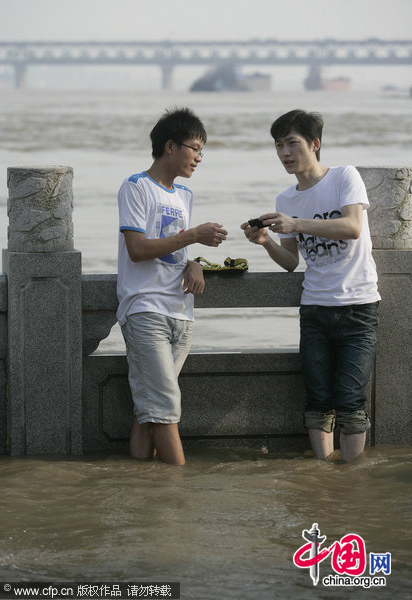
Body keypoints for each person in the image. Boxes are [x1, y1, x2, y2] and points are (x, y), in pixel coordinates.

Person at [241, 109, 380, 463]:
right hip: (315, 309)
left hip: (358, 306)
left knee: (350, 400)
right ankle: (320, 474)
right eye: (278, 145)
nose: (285, 153)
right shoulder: (286, 199)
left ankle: (350, 478)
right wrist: (265, 242)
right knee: (318, 400)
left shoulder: (344, 177)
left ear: (315, 144)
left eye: (292, 143)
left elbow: (351, 227)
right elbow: (291, 262)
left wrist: (296, 223)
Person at [117, 107, 227, 465]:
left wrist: (194, 261)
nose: (198, 157)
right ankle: (178, 492)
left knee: (149, 411)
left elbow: (173, 246)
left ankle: (144, 488)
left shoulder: (184, 196)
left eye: (200, 150)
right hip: (146, 309)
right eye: (194, 148)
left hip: (181, 313)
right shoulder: (136, 187)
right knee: (165, 408)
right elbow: (137, 250)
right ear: (170, 146)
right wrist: (194, 236)